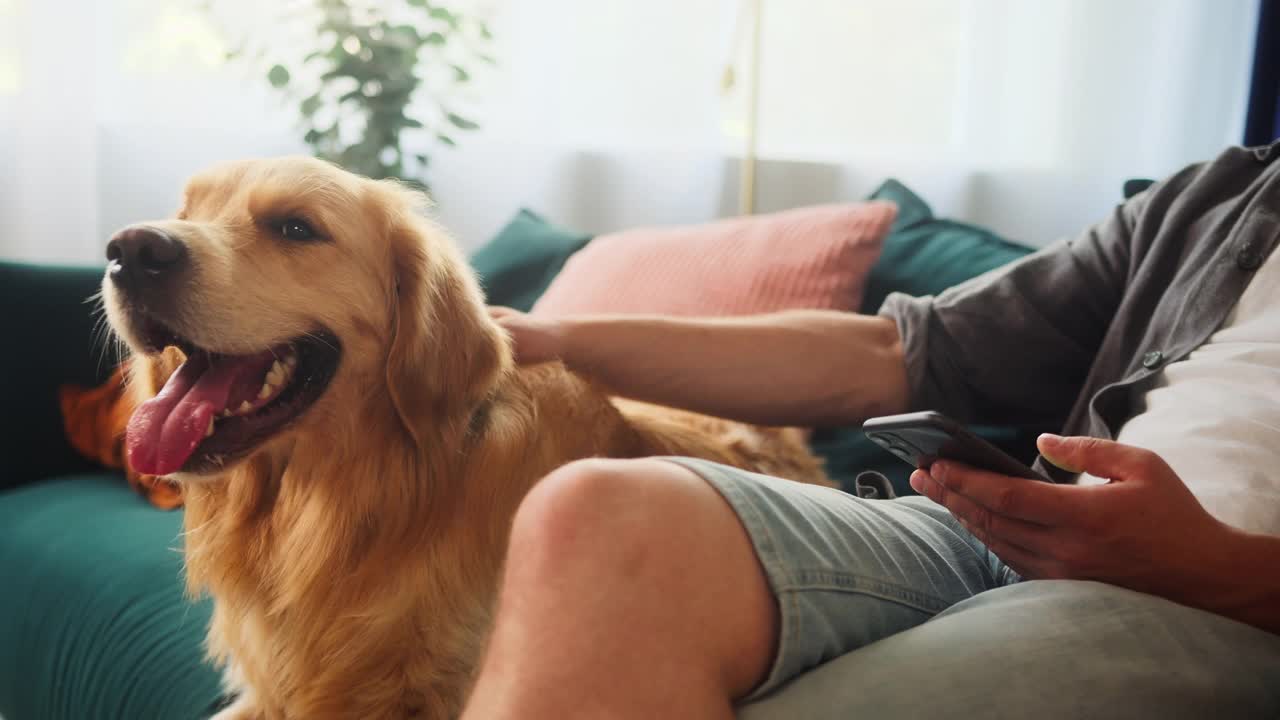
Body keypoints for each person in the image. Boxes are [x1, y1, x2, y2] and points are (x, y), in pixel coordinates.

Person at [459, 145, 1280, 720]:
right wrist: (560, 340)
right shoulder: (1220, 202)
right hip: (1022, 535)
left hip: (1222, 599)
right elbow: (892, 350)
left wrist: (1216, 566)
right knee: (593, 511)